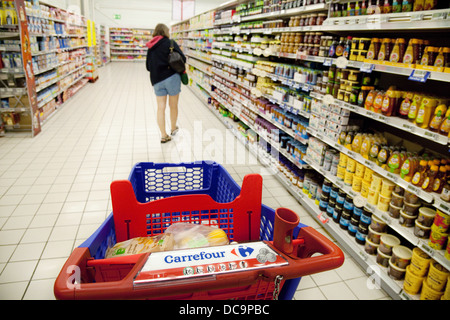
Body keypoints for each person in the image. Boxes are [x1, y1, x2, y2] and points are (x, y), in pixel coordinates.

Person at [146, 23, 186, 143]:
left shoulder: (151, 46)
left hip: (157, 80)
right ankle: (173, 128)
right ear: (166, 32)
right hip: (172, 77)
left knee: (160, 108)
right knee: (173, 105)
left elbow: (148, 66)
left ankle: (163, 135)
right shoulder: (170, 43)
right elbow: (183, 59)